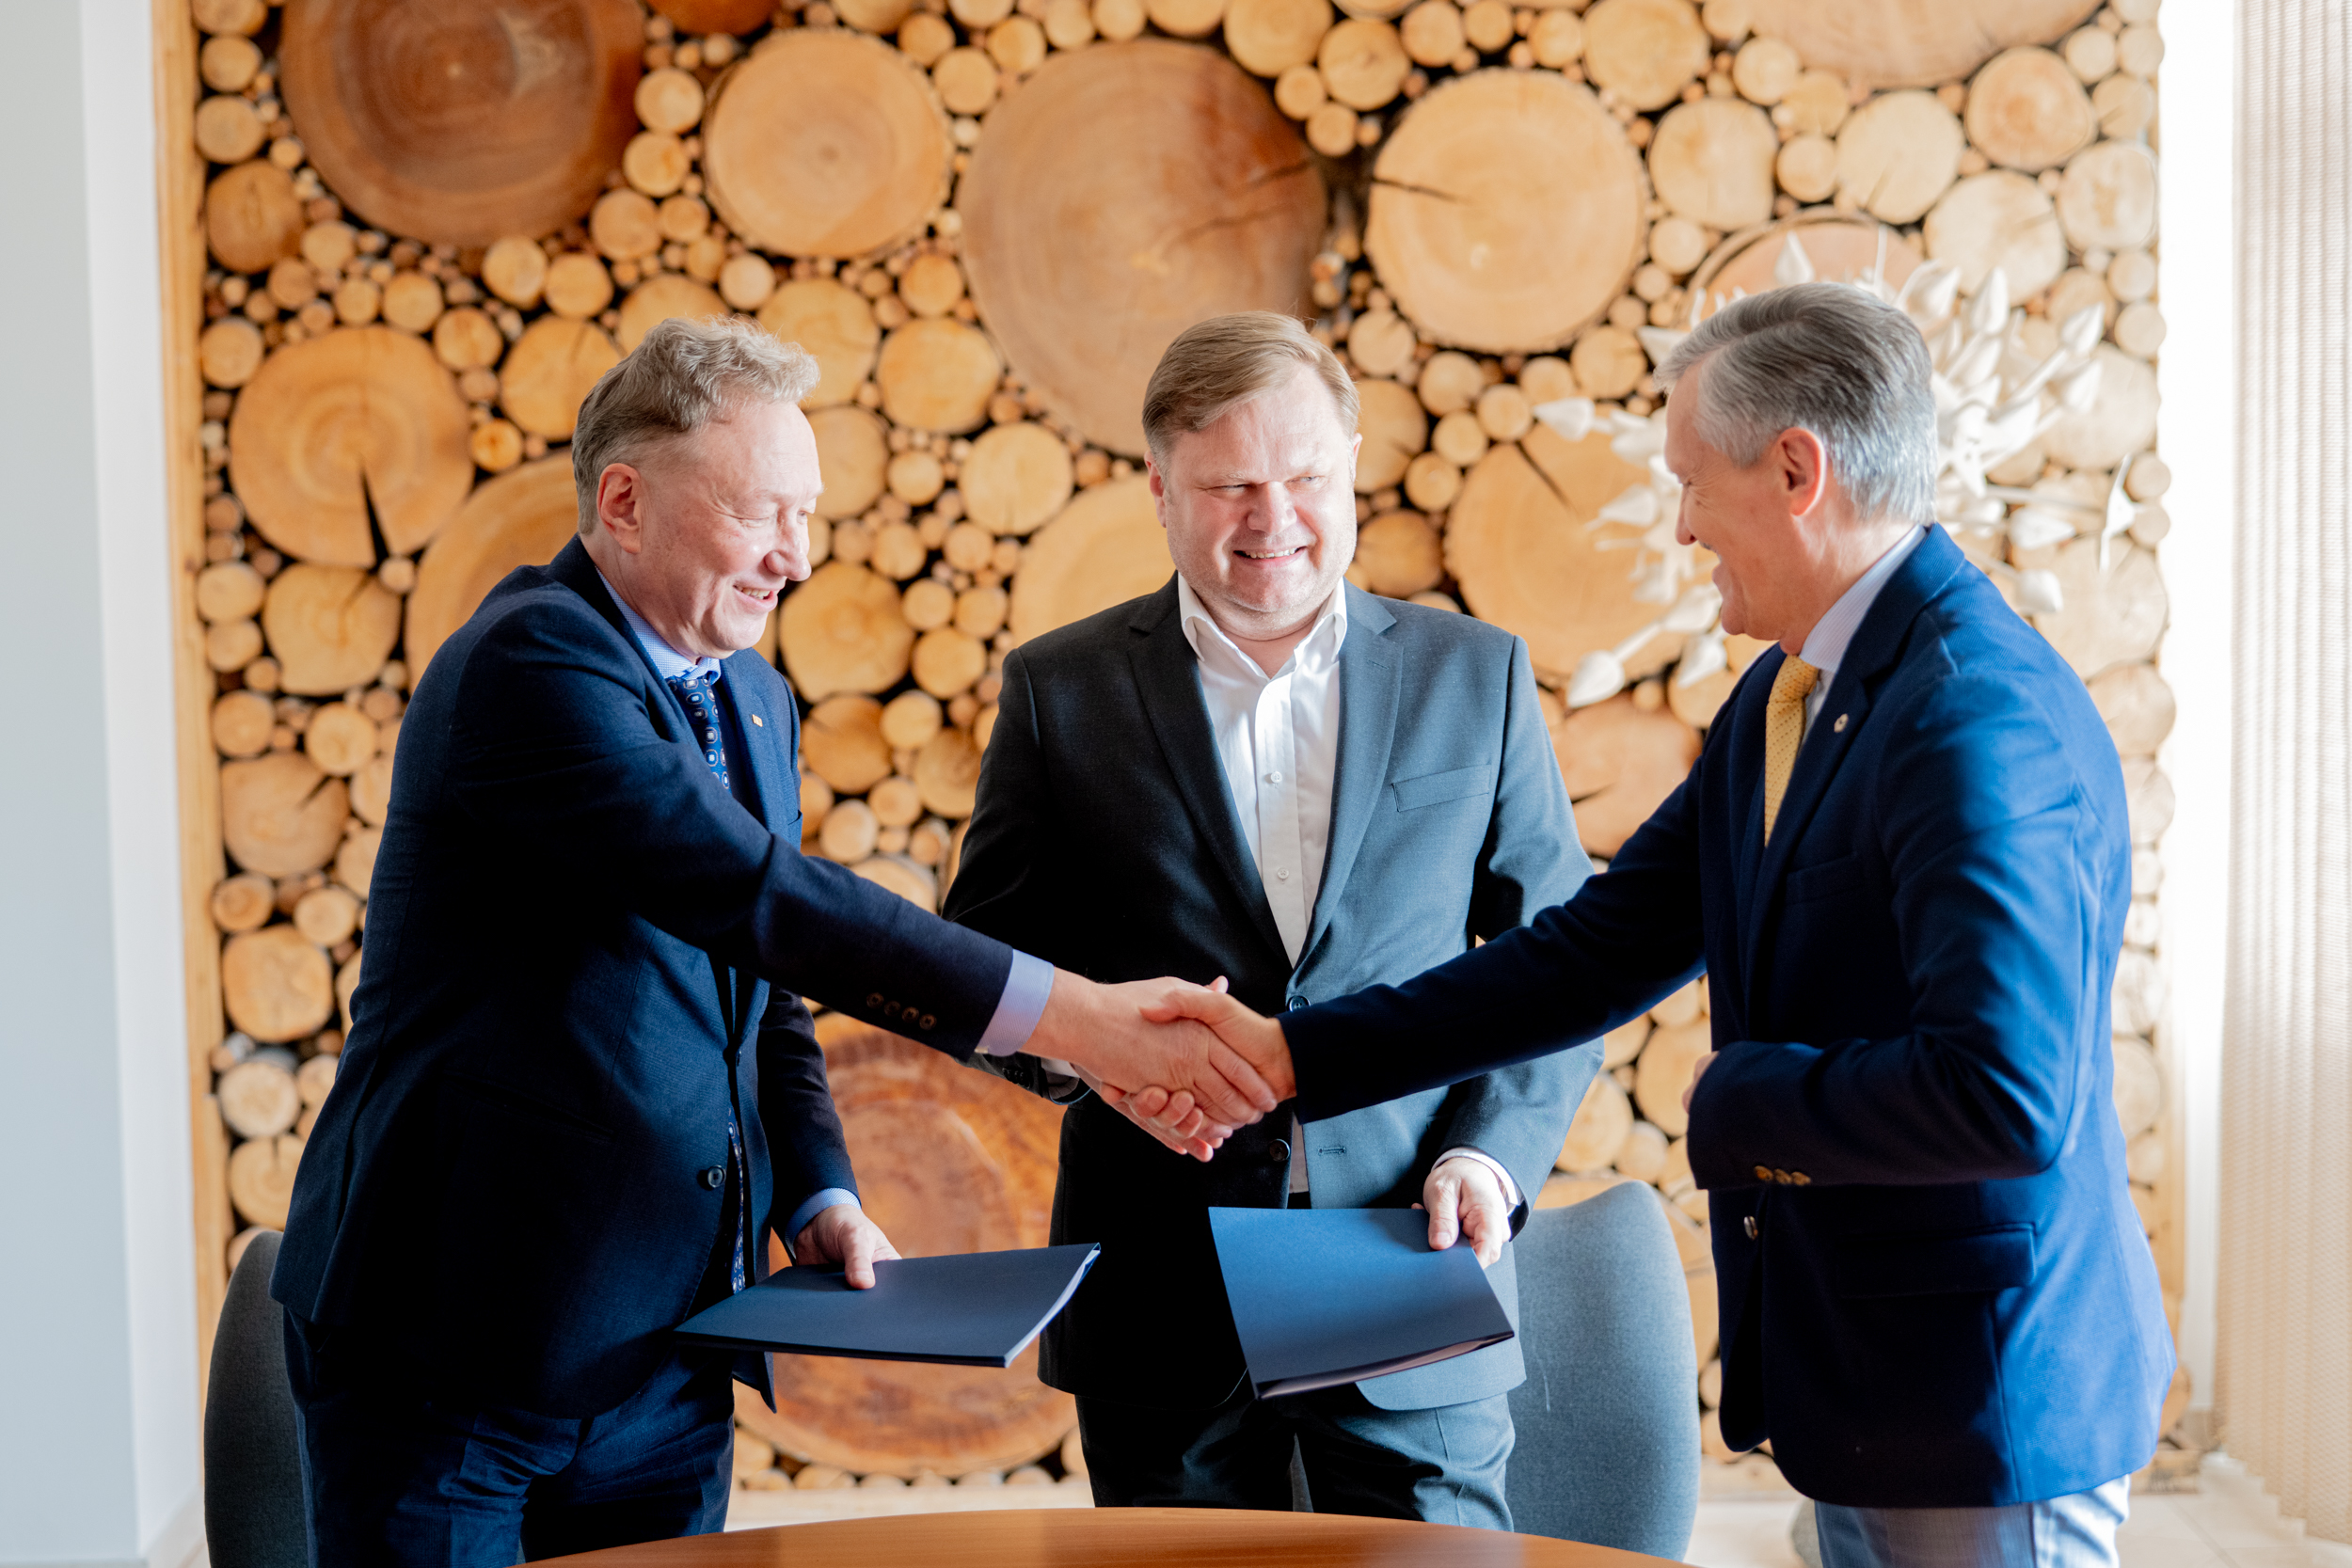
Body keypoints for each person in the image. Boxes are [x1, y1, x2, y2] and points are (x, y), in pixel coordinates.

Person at [1149, 284, 2172, 1567]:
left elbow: (2005, 1098)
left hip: (1987, 1392)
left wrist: (1739, 1100)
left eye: (1694, 482)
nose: (1682, 525)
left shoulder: (1973, 714)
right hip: (1878, 1385)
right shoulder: (1789, 695)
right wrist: (1295, 1059)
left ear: (1795, 471)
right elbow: (1590, 953)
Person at [271, 318, 1282, 1567]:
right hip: (452, 1342)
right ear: (624, 501)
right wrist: (1085, 1022)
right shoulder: (529, 662)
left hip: (667, 1356)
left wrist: (818, 1190)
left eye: (806, 515)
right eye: (762, 513)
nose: (796, 559)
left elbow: (768, 983)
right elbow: (766, 899)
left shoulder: (751, 695)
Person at [944, 312, 1596, 1527]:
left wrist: (1486, 1157)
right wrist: (1096, 1062)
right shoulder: (1057, 690)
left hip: (1413, 1256)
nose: (1274, 517)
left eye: (1304, 476)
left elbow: (1561, 965)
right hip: (1158, 1284)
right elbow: (983, 960)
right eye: (1230, 485)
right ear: (1159, 489)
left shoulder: (1479, 673)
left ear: (1352, 463)